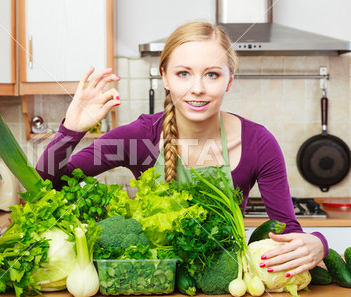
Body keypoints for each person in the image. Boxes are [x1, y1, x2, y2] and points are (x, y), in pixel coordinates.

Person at [36, 21, 328, 278]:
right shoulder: (139, 136)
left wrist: (319, 243)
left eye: (212, 74)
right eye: (183, 73)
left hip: (226, 282)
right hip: (150, 282)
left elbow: (286, 230)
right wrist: (70, 130)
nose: (197, 88)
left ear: (230, 79)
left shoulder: (259, 143)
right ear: (165, 76)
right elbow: (48, 182)